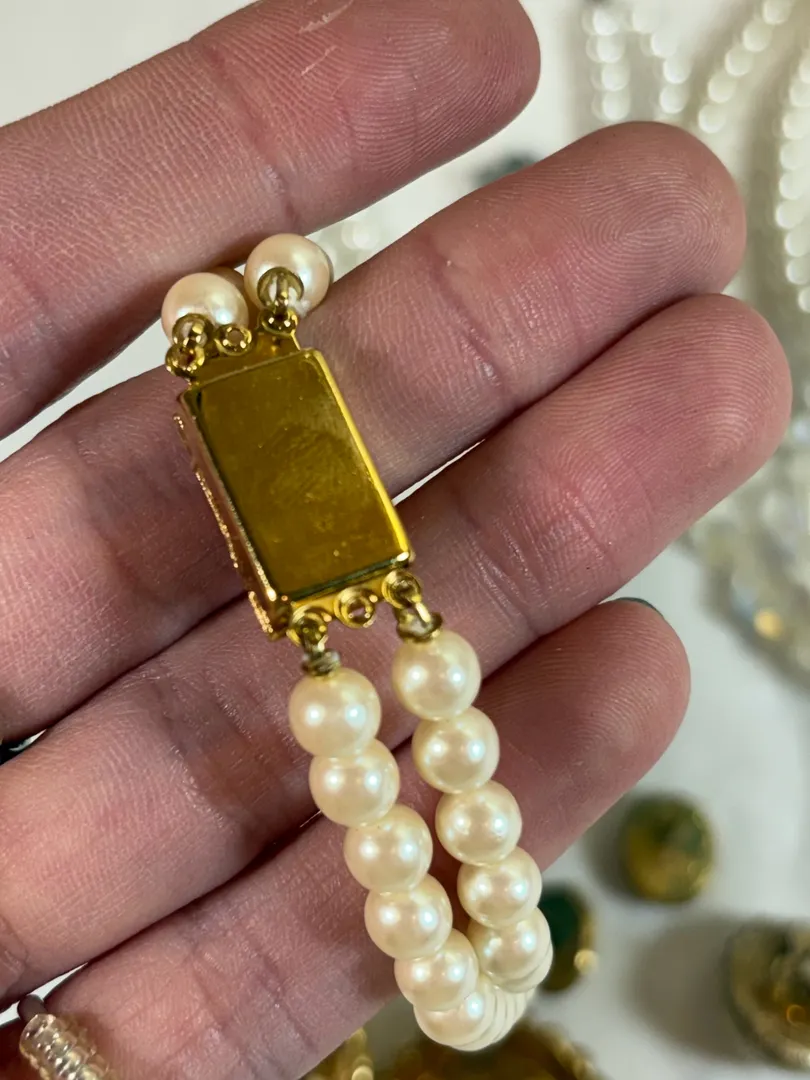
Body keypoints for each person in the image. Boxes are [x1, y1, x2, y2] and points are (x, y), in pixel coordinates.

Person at [0, 0, 790, 1076]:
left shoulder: (239, 376)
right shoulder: (237, 383)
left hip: (349, 572)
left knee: (432, 739)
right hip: (332, 580)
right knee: (398, 739)